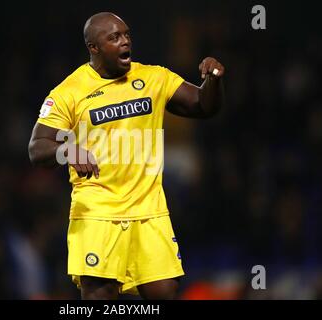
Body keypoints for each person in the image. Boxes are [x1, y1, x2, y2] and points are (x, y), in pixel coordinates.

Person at [28, 12, 225, 300]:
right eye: (114, 37)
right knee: (100, 296)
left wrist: (213, 81)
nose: (124, 42)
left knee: (165, 292)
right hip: (98, 214)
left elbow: (203, 106)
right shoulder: (68, 92)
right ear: (93, 47)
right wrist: (66, 149)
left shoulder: (153, 78)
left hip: (150, 211)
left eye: (127, 35)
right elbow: (37, 147)